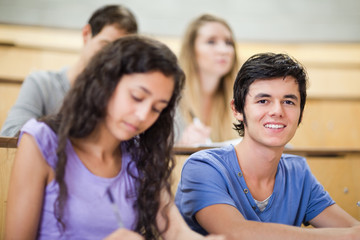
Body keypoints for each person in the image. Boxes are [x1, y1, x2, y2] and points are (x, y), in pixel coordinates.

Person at [5, 36, 224, 240]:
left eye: (157, 109)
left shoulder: (142, 154)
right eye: (136, 97)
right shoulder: (42, 141)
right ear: (106, 83)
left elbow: (177, 232)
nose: (142, 116)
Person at [175, 52, 360, 239]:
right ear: (237, 109)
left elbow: (354, 229)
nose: (277, 111)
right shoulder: (203, 167)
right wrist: (346, 237)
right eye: (263, 101)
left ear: (301, 114)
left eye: (288, 102)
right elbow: (235, 232)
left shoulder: (298, 173)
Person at [1, 4, 138, 137]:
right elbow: (10, 135)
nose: (111, 59)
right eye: (105, 46)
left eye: (120, 53)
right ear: (86, 34)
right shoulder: (41, 84)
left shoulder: (119, 96)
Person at [175, 14, 239, 145]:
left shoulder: (240, 100)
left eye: (228, 43)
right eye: (211, 42)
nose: (224, 50)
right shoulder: (171, 98)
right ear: (191, 51)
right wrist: (182, 145)